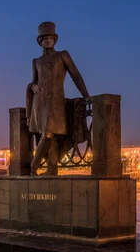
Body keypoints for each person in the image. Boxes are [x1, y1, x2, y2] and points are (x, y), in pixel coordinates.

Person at [26, 22, 91, 175]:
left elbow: (76, 75)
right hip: (39, 102)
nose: (47, 41)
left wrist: (86, 95)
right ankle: (51, 169)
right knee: (49, 135)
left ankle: (33, 166)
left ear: (55, 40)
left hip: (56, 101)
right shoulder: (36, 61)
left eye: (50, 38)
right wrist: (33, 86)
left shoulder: (62, 55)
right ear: (40, 42)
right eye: (44, 39)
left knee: (49, 134)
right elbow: (33, 81)